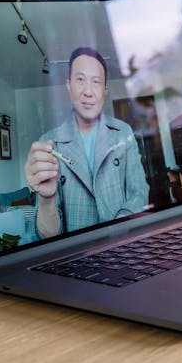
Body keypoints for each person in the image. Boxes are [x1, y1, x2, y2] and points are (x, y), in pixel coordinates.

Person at [24, 46, 149, 238]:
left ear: (105, 91)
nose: (88, 91)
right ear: (69, 85)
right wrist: (46, 199)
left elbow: (139, 192)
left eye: (96, 82)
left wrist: (119, 230)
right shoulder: (49, 144)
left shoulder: (123, 132)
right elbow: (47, 236)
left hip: (124, 245)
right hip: (75, 258)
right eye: (80, 80)